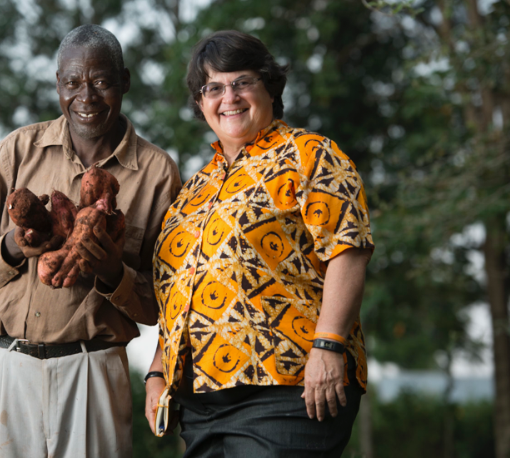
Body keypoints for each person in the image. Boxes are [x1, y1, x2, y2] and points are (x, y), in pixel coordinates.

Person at [144, 30, 375, 457]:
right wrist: (157, 373)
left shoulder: (310, 154)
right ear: (200, 103)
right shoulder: (193, 189)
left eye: (242, 82)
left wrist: (328, 345)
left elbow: (348, 250)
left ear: (269, 86)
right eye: (213, 87)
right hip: (200, 404)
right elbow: (180, 288)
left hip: (289, 389)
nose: (228, 97)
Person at [0, 24, 182, 458]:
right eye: (73, 83)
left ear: (124, 82)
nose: (87, 97)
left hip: (93, 368)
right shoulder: (18, 150)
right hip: (9, 365)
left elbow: (164, 303)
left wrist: (111, 272)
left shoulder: (157, 173)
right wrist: (15, 246)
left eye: (101, 82)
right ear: (58, 84)